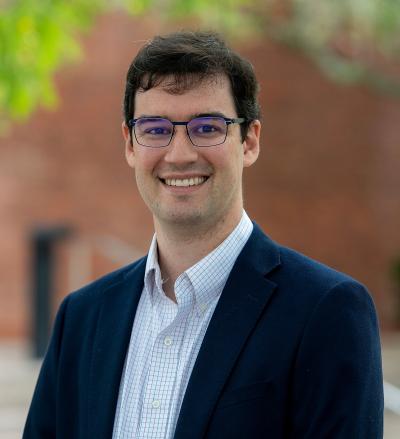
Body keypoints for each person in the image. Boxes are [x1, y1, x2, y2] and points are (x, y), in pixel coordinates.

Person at [23, 31, 384, 439]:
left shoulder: (326, 310)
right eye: (155, 129)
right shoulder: (82, 318)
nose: (180, 155)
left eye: (208, 127)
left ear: (249, 141)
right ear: (130, 145)